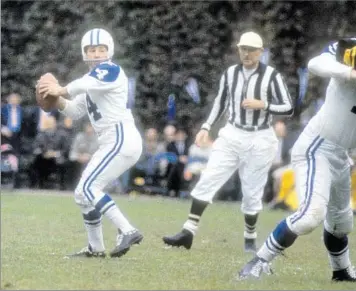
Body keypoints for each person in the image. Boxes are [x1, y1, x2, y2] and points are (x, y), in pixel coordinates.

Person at [238, 38, 356, 281]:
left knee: (341, 224)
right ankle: (257, 262)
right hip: (319, 147)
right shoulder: (351, 49)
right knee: (310, 216)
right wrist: (349, 72)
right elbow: (316, 63)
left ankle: (341, 271)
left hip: (342, 154)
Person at [163, 31, 293, 252]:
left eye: (252, 50)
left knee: (252, 191)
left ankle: (250, 239)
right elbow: (220, 103)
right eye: (243, 49)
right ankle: (188, 231)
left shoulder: (271, 76)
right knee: (209, 177)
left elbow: (288, 107)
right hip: (233, 133)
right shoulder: (231, 73)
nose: (247, 54)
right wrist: (206, 127)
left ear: (260, 52)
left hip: (260, 136)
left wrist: (263, 105)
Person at [37, 28, 143, 258]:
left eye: (101, 49)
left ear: (109, 50)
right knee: (82, 194)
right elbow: (75, 110)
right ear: (85, 53)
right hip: (112, 141)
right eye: (92, 50)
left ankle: (128, 230)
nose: (96, 54)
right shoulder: (92, 81)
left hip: (121, 137)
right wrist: (57, 100)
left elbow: (82, 84)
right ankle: (96, 248)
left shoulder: (111, 70)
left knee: (88, 188)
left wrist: (60, 89)